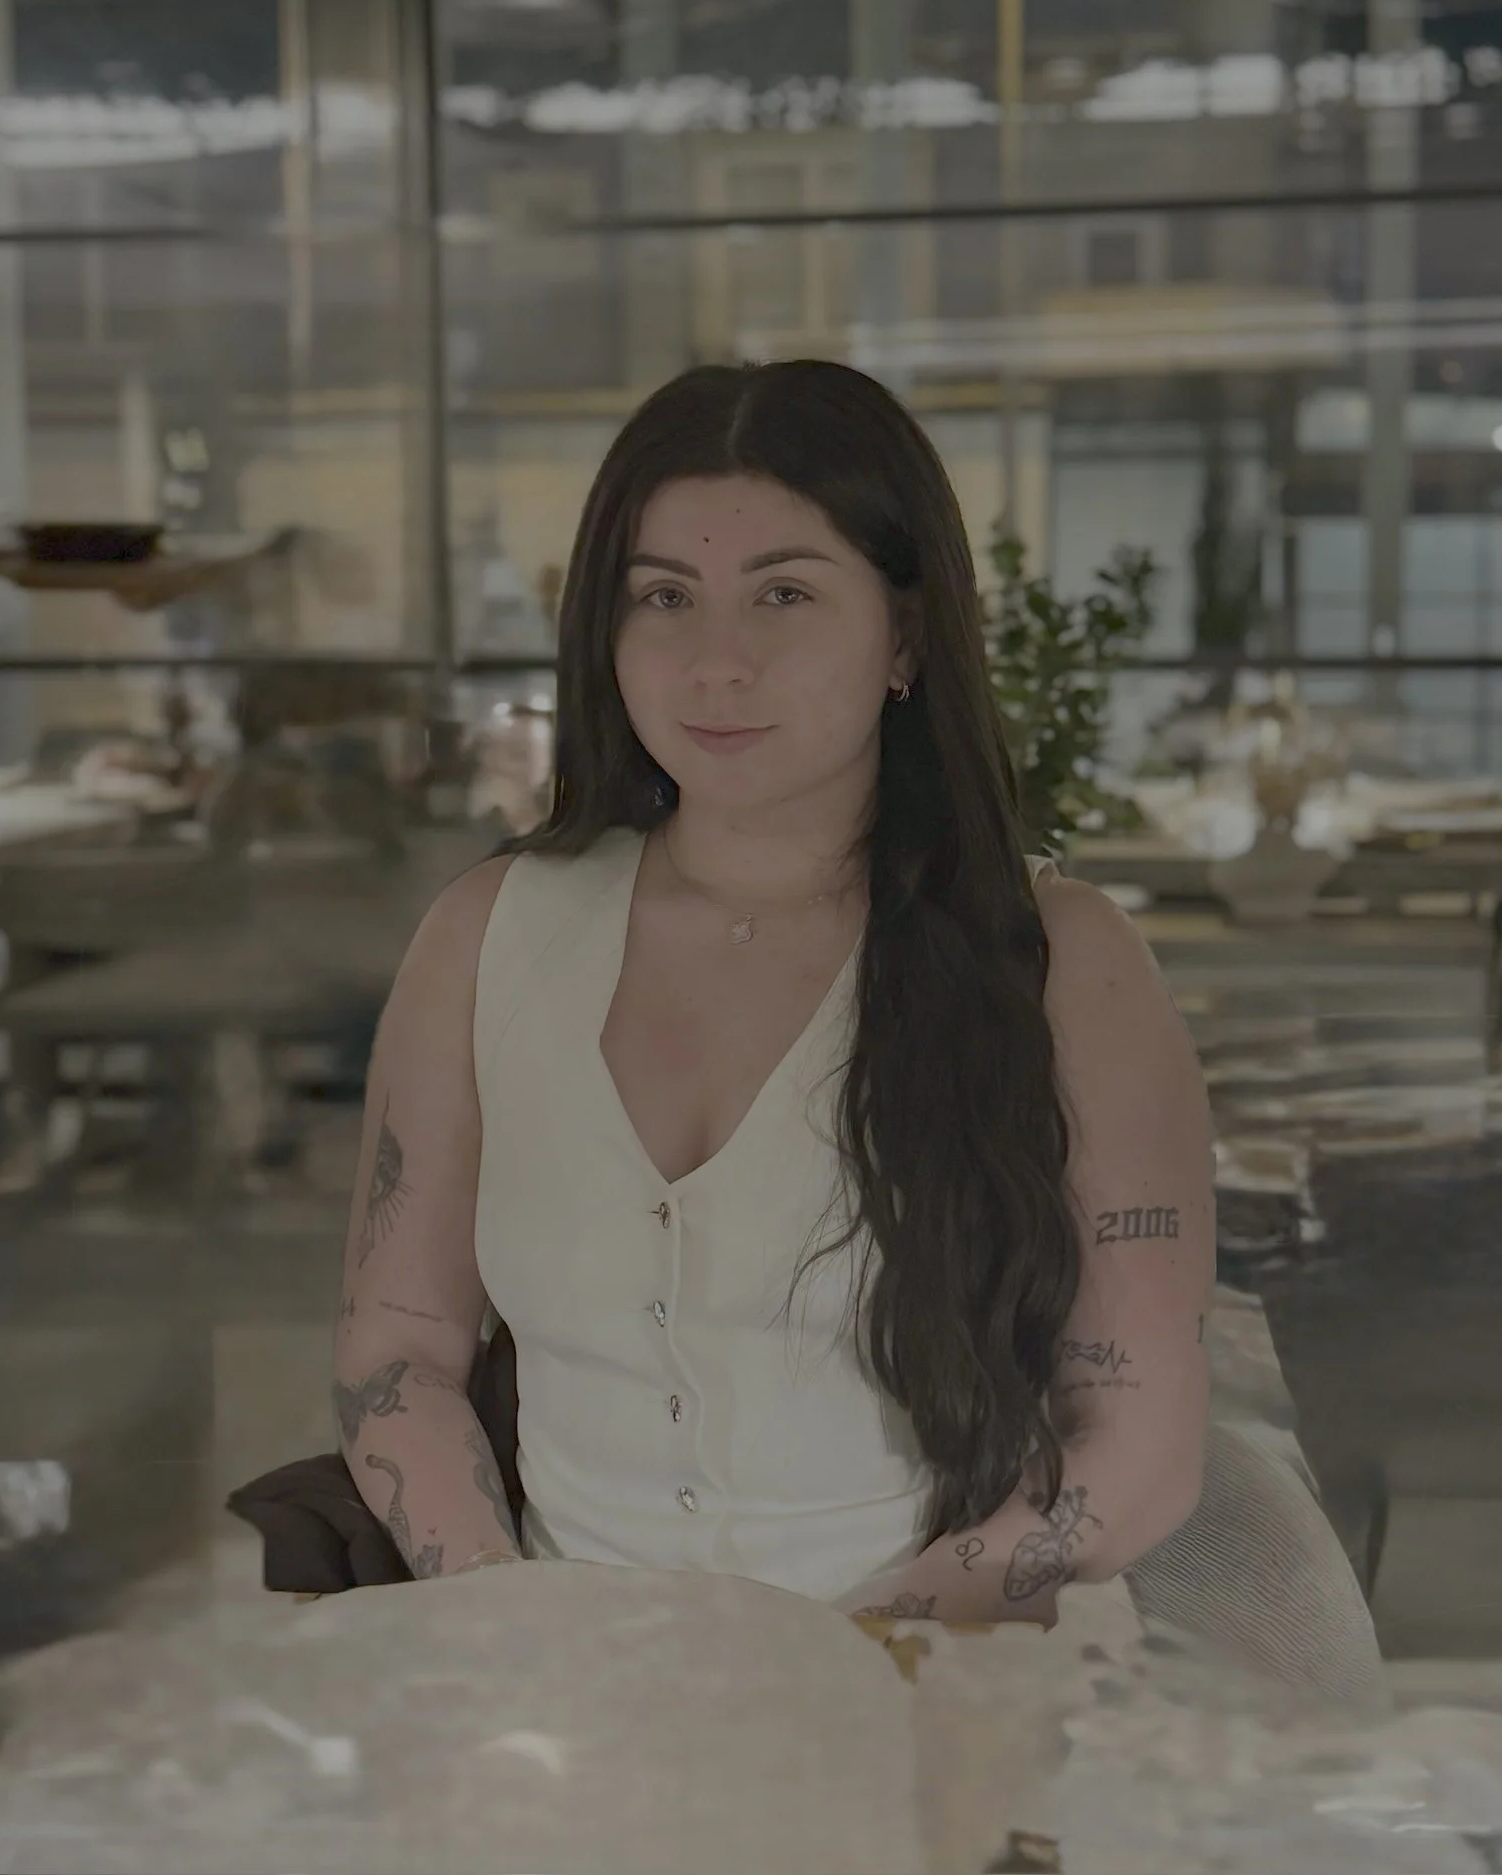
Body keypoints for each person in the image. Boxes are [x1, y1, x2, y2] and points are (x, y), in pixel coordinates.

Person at [330, 359, 1214, 1629]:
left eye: (783, 594)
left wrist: (864, 1659)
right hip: (567, 1696)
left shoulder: (1060, 960)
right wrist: (501, 1617)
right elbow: (398, 1346)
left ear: (903, 632)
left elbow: (1135, 1443)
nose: (715, 665)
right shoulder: (483, 937)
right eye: (663, 598)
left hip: (952, 1698)